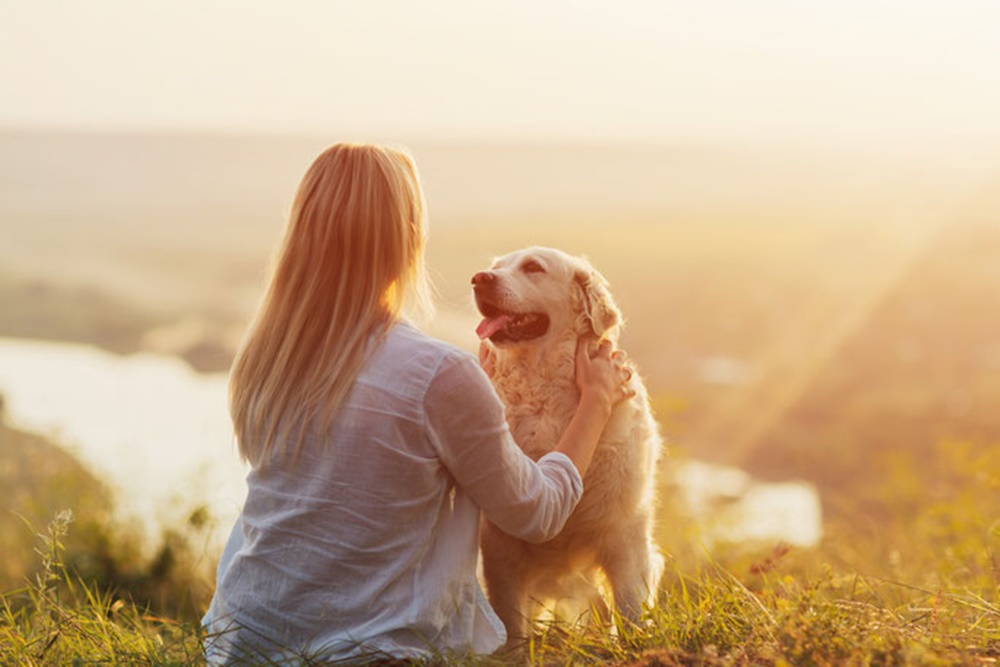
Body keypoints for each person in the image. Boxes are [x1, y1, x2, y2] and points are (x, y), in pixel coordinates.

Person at [201, 143, 632, 665]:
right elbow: (537, 515)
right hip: (368, 654)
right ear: (407, 239)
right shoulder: (439, 375)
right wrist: (596, 401)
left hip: (241, 646)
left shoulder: (265, 359)